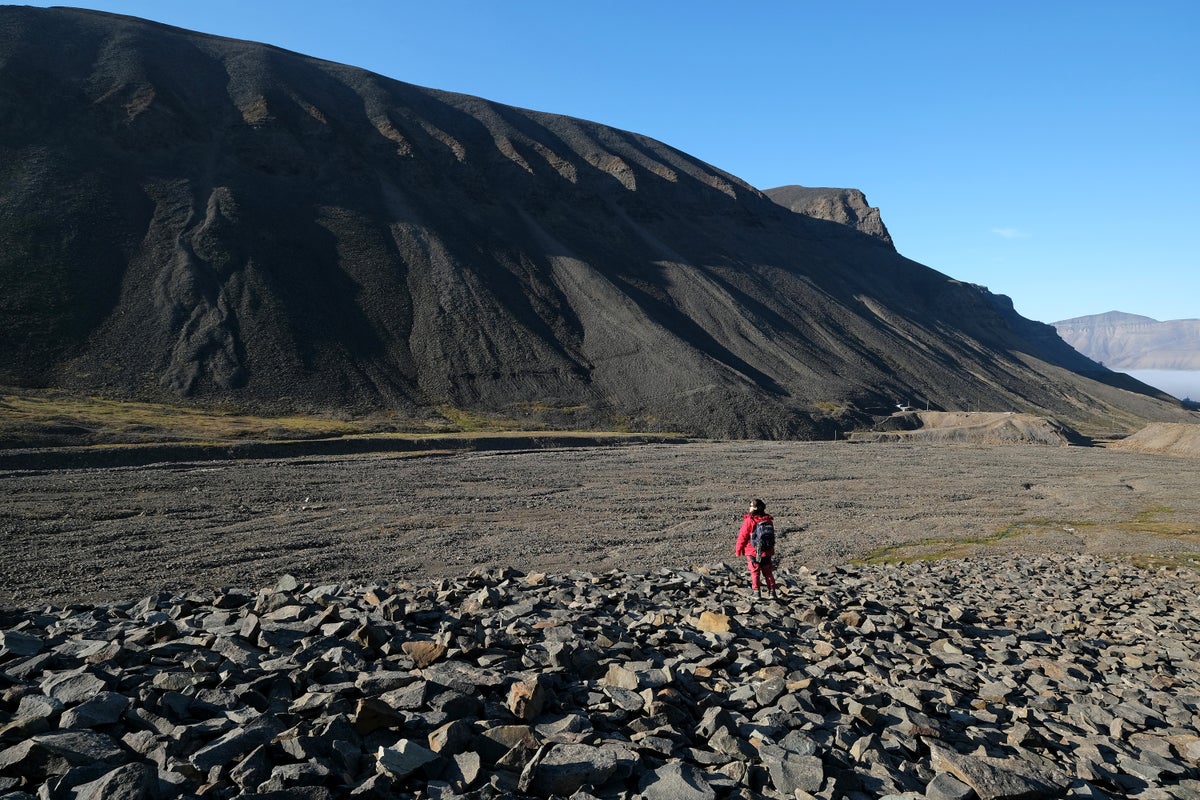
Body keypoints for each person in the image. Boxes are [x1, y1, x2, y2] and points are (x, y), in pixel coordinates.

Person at [735, 498, 777, 598]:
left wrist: (738, 550)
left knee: (755, 571)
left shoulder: (750, 520)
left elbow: (743, 536)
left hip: (752, 550)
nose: (749, 507)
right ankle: (772, 592)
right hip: (767, 550)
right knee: (768, 572)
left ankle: (756, 592)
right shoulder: (768, 519)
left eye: (751, 506)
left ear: (756, 508)